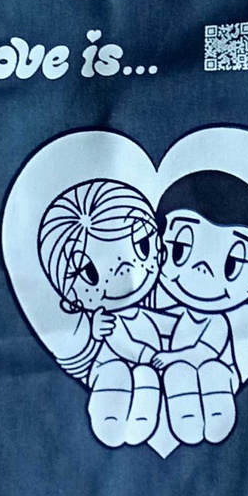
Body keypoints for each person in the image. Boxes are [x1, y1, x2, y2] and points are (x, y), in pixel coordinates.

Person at [36, 179, 164, 447]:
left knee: (147, 378)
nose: (125, 269)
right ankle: (111, 419)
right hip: (112, 364)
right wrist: (148, 356)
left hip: (152, 365)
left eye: (142, 246)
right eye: (90, 272)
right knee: (116, 372)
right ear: (69, 297)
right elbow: (120, 342)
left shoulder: (151, 311)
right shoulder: (105, 322)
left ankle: (144, 419)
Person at [152, 171, 248, 445]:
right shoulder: (180, 314)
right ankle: (183, 422)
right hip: (181, 373)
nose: (201, 268)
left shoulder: (217, 323)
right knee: (178, 375)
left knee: (209, 373)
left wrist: (171, 357)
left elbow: (204, 352)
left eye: (232, 264)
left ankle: (210, 421)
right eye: (181, 248)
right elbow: (157, 321)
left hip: (218, 376)